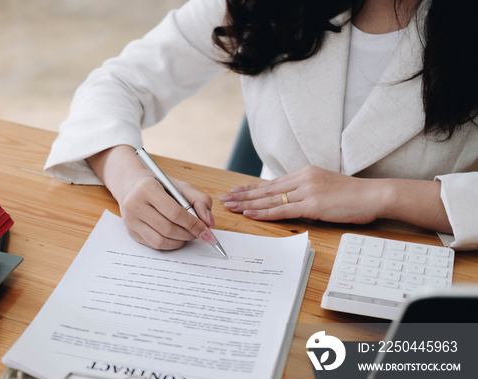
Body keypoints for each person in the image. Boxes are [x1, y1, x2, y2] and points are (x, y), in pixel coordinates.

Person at [44, 0, 478, 251]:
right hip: (268, 248)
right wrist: (128, 176)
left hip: (427, 266)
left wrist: (383, 195)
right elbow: (118, 82)